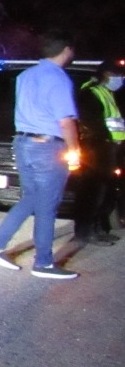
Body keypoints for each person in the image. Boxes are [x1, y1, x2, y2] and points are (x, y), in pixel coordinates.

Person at [0, 32, 82, 280]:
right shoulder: (58, 78)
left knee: (32, 198)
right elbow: (65, 120)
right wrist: (75, 150)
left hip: (23, 142)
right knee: (47, 205)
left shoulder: (25, 75)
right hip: (47, 147)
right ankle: (44, 263)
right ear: (67, 50)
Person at [72, 59, 125, 245]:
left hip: (109, 147)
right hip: (96, 147)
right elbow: (92, 122)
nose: (121, 79)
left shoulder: (106, 92)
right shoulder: (90, 92)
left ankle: (99, 228)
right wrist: (108, 139)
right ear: (107, 74)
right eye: (119, 75)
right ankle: (86, 231)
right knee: (93, 191)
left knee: (106, 191)